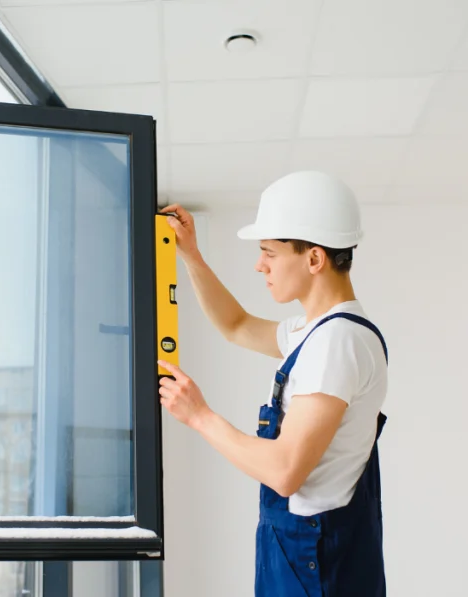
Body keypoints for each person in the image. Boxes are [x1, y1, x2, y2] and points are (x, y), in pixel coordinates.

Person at [157, 170, 389, 597]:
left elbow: (285, 472)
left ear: (314, 259)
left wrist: (200, 417)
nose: (259, 264)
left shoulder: (337, 343)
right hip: (303, 554)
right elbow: (236, 324)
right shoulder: (318, 332)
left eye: (269, 252)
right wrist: (190, 255)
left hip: (315, 567)